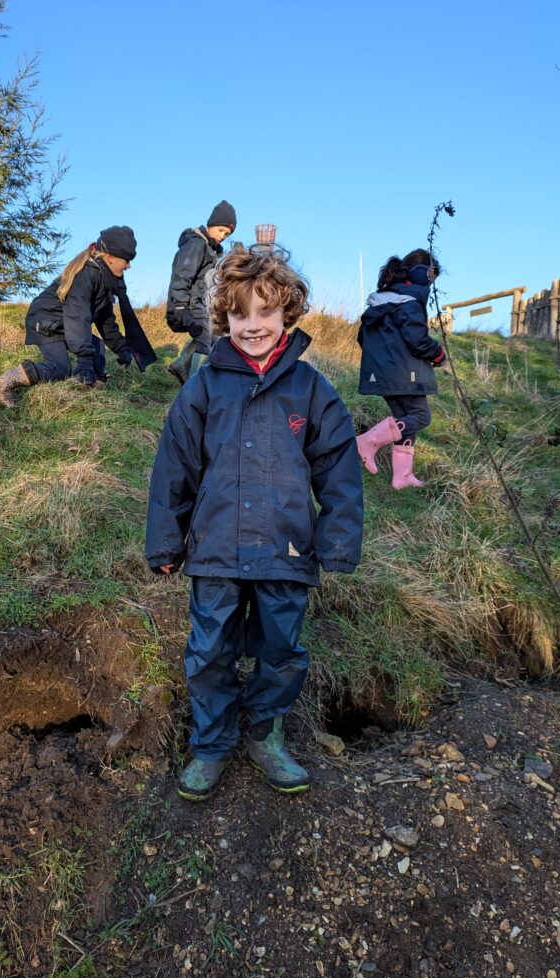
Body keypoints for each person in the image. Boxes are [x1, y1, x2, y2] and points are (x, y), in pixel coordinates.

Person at [146, 244, 363, 801]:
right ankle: (211, 745)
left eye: (265, 312)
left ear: (287, 313)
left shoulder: (312, 390)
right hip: (215, 548)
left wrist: (337, 540)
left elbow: (338, 468)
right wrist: (166, 541)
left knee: (281, 650)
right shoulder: (204, 386)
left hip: (286, 551)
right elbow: (175, 467)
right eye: (240, 314)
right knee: (209, 650)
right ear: (224, 318)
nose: (253, 325)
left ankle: (267, 736)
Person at [0, 226, 145, 407]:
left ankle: (89, 390)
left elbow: (105, 320)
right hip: (46, 321)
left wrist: (121, 348)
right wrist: (84, 359)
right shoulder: (86, 275)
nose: (128, 265)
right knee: (61, 369)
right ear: (110, 257)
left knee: (97, 349)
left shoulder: (105, 278)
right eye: (126, 260)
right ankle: (5, 382)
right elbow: (77, 316)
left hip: (64, 322)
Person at [355, 249, 446, 489]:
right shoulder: (409, 301)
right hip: (404, 374)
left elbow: (363, 337)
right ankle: (367, 442)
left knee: (404, 421)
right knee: (421, 416)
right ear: (421, 274)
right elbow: (417, 339)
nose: (432, 282)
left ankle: (402, 477)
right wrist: (438, 353)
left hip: (384, 375)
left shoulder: (381, 301)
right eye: (432, 275)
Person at [165, 200, 237, 383]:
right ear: (211, 224)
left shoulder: (211, 249)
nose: (223, 236)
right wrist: (180, 306)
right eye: (221, 230)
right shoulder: (196, 245)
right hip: (185, 306)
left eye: (227, 234)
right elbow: (182, 275)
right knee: (205, 340)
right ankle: (193, 388)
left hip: (198, 306)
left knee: (214, 332)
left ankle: (181, 365)